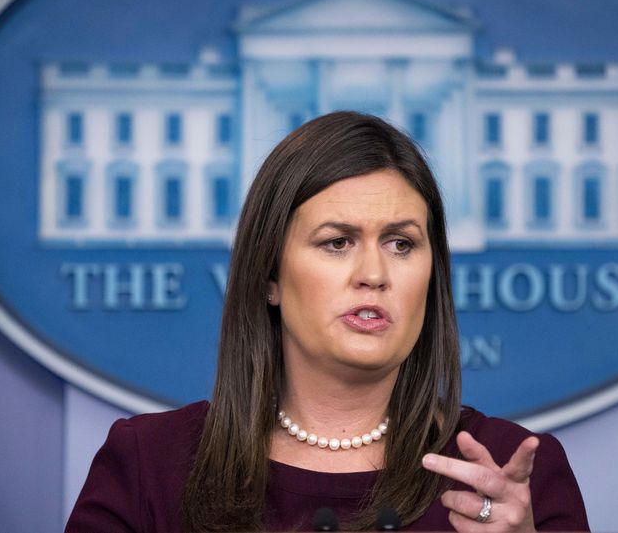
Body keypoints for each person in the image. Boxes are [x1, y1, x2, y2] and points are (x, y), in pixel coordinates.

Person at [65, 111, 589, 532]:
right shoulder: (148, 464)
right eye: (337, 242)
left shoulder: (507, 477)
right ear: (269, 273)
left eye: (401, 243)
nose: (373, 274)